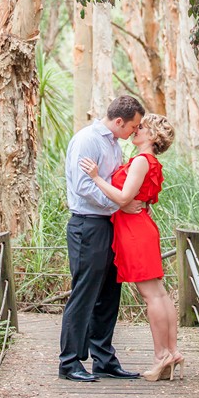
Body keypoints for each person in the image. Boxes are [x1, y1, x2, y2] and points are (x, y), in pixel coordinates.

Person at [80, 113, 184, 382]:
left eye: (142, 128)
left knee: (152, 296)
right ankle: (171, 352)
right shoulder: (149, 162)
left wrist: (96, 177)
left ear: (152, 136)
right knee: (159, 293)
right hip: (140, 226)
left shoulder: (141, 161)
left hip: (135, 230)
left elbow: (125, 197)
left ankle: (161, 356)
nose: (136, 130)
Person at [58, 95, 146, 382]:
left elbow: (112, 183)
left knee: (109, 292)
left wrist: (121, 204)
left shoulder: (114, 144)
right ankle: (70, 362)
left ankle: (104, 359)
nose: (135, 131)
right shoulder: (87, 140)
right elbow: (83, 186)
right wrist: (119, 203)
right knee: (85, 293)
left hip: (110, 224)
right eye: (133, 127)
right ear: (119, 121)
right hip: (88, 224)